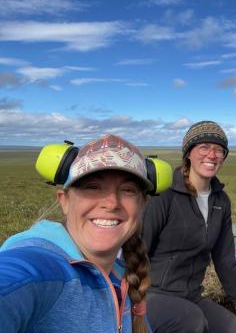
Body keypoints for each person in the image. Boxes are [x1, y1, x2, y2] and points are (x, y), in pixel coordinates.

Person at [0, 134, 161, 333]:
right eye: (92, 187)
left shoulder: (123, 275)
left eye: (127, 190)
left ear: (142, 205)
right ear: (64, 201)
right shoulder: (42, 270)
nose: (111, 203)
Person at [142, 121, 236, 333]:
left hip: (192, 296)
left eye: (219, 150)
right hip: (152, 295)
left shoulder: (221, 201)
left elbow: (225, 259)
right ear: (188, 153)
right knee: (192, 321)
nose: (212, 155)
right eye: (204, 147)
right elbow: (136, 248)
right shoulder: (163, 194)